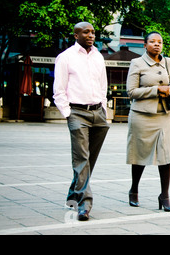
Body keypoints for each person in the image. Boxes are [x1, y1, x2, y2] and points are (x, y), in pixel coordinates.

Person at [53, 21, 109, 221]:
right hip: (77, 113)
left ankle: (72, 196)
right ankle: (84, 204)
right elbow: (59, 89)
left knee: (88, 160)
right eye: (86, 32)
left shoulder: (98, 57)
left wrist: (104, 108)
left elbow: (103, 85)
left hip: (98, 114)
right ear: (76, 35)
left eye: (93, 32)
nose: (91, 35)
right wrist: (68, 113)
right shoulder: (65, 58)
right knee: (81, 159)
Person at [126, 31, 170, 212]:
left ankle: (164, 195)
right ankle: (134, 190)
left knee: (166, 155)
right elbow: (131, 92)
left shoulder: (167, 62)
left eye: (160, 42)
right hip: (142, 116)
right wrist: (156, 90)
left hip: (164, 115)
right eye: (152, 41)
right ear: (145, 44)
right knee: (140, 155)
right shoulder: (137, 63)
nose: (157, 44)